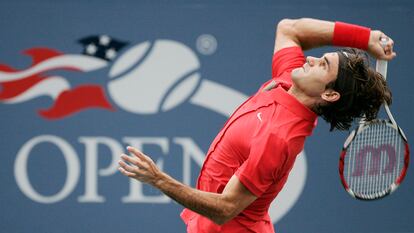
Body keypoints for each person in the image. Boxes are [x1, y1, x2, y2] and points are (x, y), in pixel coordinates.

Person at [118, 18, 395, 233]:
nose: (311, 58)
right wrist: (364, 37)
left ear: (329, 94)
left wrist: (158, 179)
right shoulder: (288, 80)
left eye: (322, 64)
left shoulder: (278, 138)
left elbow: (226, 208)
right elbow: (290, 29)